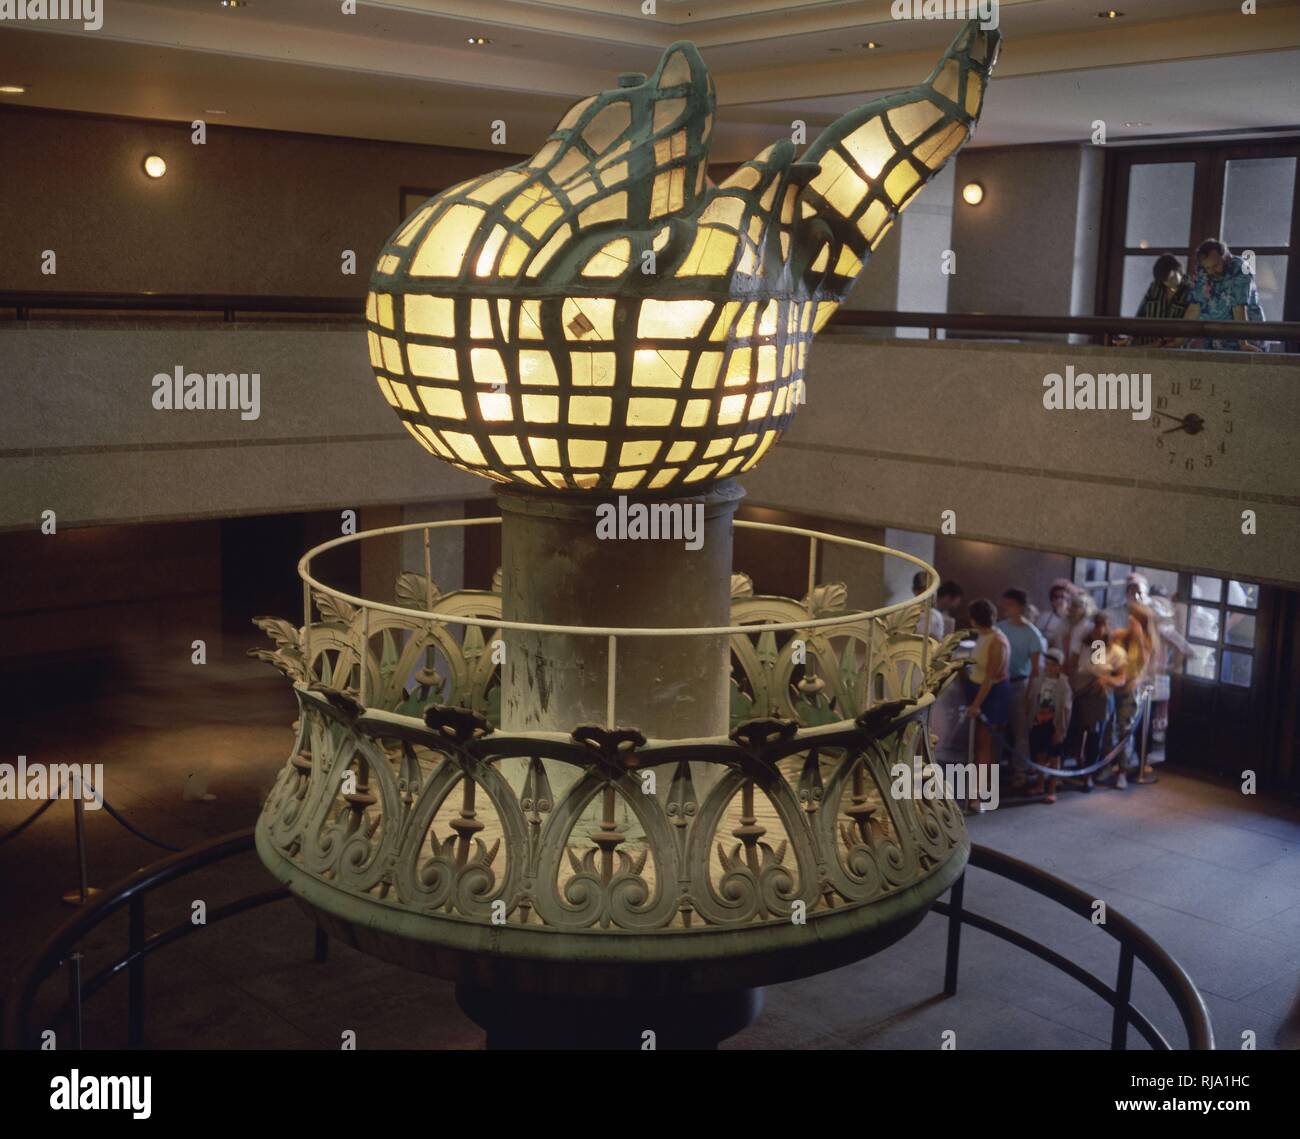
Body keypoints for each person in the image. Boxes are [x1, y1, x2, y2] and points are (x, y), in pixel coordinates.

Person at [962, 598, 1010, 813]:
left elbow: (991, 676)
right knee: (976, 746)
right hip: (977, 688)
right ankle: (973, 789)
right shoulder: (982, 636)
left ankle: (980, 795)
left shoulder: (998, 641)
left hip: (991, 695)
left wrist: (976, 704)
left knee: (984, 747)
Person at [996, 588, 1048, 788]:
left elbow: (1035, 669)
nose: (1005, 608)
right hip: (1001, 683)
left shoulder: (1032, 634)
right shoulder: (1000, 627)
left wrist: (1029, 694)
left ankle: (1020, 770)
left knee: (1020, 732)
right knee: (998, 727)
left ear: (1020, 607)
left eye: (1009, 604)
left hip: (1020, 683)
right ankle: (995, 767)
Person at [1067, 613, 1127, 776]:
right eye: (1095, 626)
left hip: (1099, 696)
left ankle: (1090, 772)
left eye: (1102, 626)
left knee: (1095, 734)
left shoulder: (1116, 652)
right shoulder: (1091, 645)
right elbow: (1086, 667)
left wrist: (1106, 679)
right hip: (1081, 691)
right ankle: (1078, 765)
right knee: (1077, 731)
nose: (1098, 630)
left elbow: (1120, 678)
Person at [1184, 238, 1265, 351]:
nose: (1211, 271)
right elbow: (1195, 306)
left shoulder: (1242, 269)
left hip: (1246, 334)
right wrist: (1178, 339)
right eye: (1208, 267)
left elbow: (1239, 308)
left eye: (1216, 265)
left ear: (1225, 257)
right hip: (1215, 338)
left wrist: (1244, 344)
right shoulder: (1203, 270)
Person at [1026, 648, 1072, 803]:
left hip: (1054, 723)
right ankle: (1040, 784)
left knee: (1054, 757)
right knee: (1039, 755)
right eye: (1047, 664)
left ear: (1059, 666)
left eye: (1053, 665)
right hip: (1039, 722)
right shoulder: (1040, 680)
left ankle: (1052, 789)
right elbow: (1033, 699)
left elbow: (1066, 709)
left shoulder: (1063, 684)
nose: (1049, 668)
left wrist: (1060, 729)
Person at [1130, 253, 1193, 347]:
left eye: (1171, 278)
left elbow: (1189, 327)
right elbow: (1140, 314)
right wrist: (1131, 338)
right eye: (1165, 281)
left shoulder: (1191, 291)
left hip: (1173, 350)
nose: (1169, 283)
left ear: (1178, 269)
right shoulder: (1155, 287)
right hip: (1146, 345)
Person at [1034, 579, 1075, 655]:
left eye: (1062, 597)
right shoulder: (1044, 618)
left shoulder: (1073, 621)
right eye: (1056, 597)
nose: (1059, 600)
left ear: (1069, 599)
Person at [912, 570, 945, 640]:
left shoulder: (937, 615)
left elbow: (939, 640)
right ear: (915, 591)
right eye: (925, 589)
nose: (932, 594)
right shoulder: (905, 613)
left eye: (934, 589)